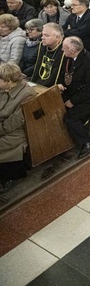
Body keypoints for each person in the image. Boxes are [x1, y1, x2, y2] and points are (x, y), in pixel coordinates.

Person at [60, 36, 90, 159]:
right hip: (69, 93)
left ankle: (86, 142)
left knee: (70, 118)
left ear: (72, 50)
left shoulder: (89, 61)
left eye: (64, 48)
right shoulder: (69, 58)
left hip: (86, 99)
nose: (62, 50)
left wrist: (73, 101)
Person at [0, 63, 37, 193]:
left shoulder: (27, 95)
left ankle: (12, 177)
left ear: (9, 81)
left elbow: (15, 122)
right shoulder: (4, 88)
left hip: (16, 133)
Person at [30, 22, 66, 87]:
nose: (42, 38)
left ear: (57, 37)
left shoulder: (65, 49)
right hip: (39, 82)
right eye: (42, 35)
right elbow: (38, 65)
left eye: (46, 35)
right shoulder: (42, 45)